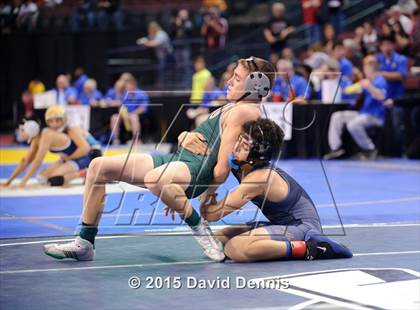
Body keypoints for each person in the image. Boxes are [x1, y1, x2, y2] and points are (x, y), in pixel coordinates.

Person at [43, 56, 276, 263]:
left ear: (254, 86)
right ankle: (85, 242)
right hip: (179, 158)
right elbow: (203, 138)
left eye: (236, 78)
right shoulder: (236, 106)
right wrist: (184, 138)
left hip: (195, 167)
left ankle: (200, 230)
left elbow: (221, 168)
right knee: (98, 167)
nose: (228, 81)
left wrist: (201, 197)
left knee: (156, 179)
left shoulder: (245, 110)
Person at [167, 118, 352, 262]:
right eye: (240, 140)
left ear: (257, 155)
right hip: (280, 222)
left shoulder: (259, 178)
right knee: (218, 239)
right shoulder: (242, 164)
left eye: (245, 145)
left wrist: (204, 197)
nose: (236, 146)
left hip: (302, 228)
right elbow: (196, 147)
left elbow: (211, 214)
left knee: (235, 248)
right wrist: (182, 192)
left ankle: (312, 248)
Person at [2, 106, 102, 188]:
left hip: (85, 157)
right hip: (71, 157)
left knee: (53, 179)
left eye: (58, 120)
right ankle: (80, 170)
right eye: (51, 121)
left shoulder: (61, 132)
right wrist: (9, 181)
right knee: (41, 178)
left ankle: (85, 173)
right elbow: (26, 160)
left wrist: (23, 182)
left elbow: (86, 148)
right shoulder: (38, 138)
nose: (54, 124)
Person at [324, 57, 387, 160]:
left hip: (375, 116)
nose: (365, 71)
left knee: (353, 124)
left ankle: (370, 149)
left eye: (366, 69)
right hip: (362, 113)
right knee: (337, 116)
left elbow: (381, 97)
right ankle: (336, 148)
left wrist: (369, 87)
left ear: (372, 68)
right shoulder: (366, 81)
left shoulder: (380, 81)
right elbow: (347, 90)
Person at [110, 77, 149, 145]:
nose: (128, 88)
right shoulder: (124, 94)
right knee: (114, 117)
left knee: (133, 117)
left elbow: (143, 108)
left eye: (130, 85)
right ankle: (115, 140)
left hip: (136, 114)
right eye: (126, 86)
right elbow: (120, 104)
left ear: (134, 85)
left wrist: (132, 113)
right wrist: (122, 113)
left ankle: (136, 139)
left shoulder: (141, 94)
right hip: (124, 115)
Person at [136, 21, 173, 87]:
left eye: (150, 29)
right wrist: (142, 40)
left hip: (167, 56)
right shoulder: (154, 34)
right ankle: (161, 85)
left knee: (164, 72)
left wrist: (144, 43)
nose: (149, 31)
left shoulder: (161, 34)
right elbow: (147, 38)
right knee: (160, 72)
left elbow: (155, 43)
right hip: (160, 57)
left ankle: (164, 86)